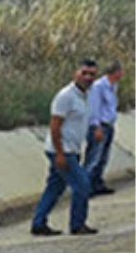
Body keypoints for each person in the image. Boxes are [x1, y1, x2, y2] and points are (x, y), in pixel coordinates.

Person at [31, 59, 100, 236]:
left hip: (73, 149)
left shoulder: (86, 95)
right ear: (75, 73)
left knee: (54, 187)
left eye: (92, 74)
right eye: (84, 73)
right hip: (62, 150)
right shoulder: (65, 96)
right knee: (83, 185)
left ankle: (38, 223)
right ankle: (77, 224)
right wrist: (60, 153)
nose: (88, 77)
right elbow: (55, 126)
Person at [85, 61, 123, 196]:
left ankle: (97, 184)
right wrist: (96, 127)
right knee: (93, 158)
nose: (122, 74)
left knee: (103, 158)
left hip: (109, 125)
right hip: (100, 126)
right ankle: (85, 187)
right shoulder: (98, 87)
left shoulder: (113, 86)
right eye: (120, 71)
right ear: (115, 72)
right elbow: (93, 108)